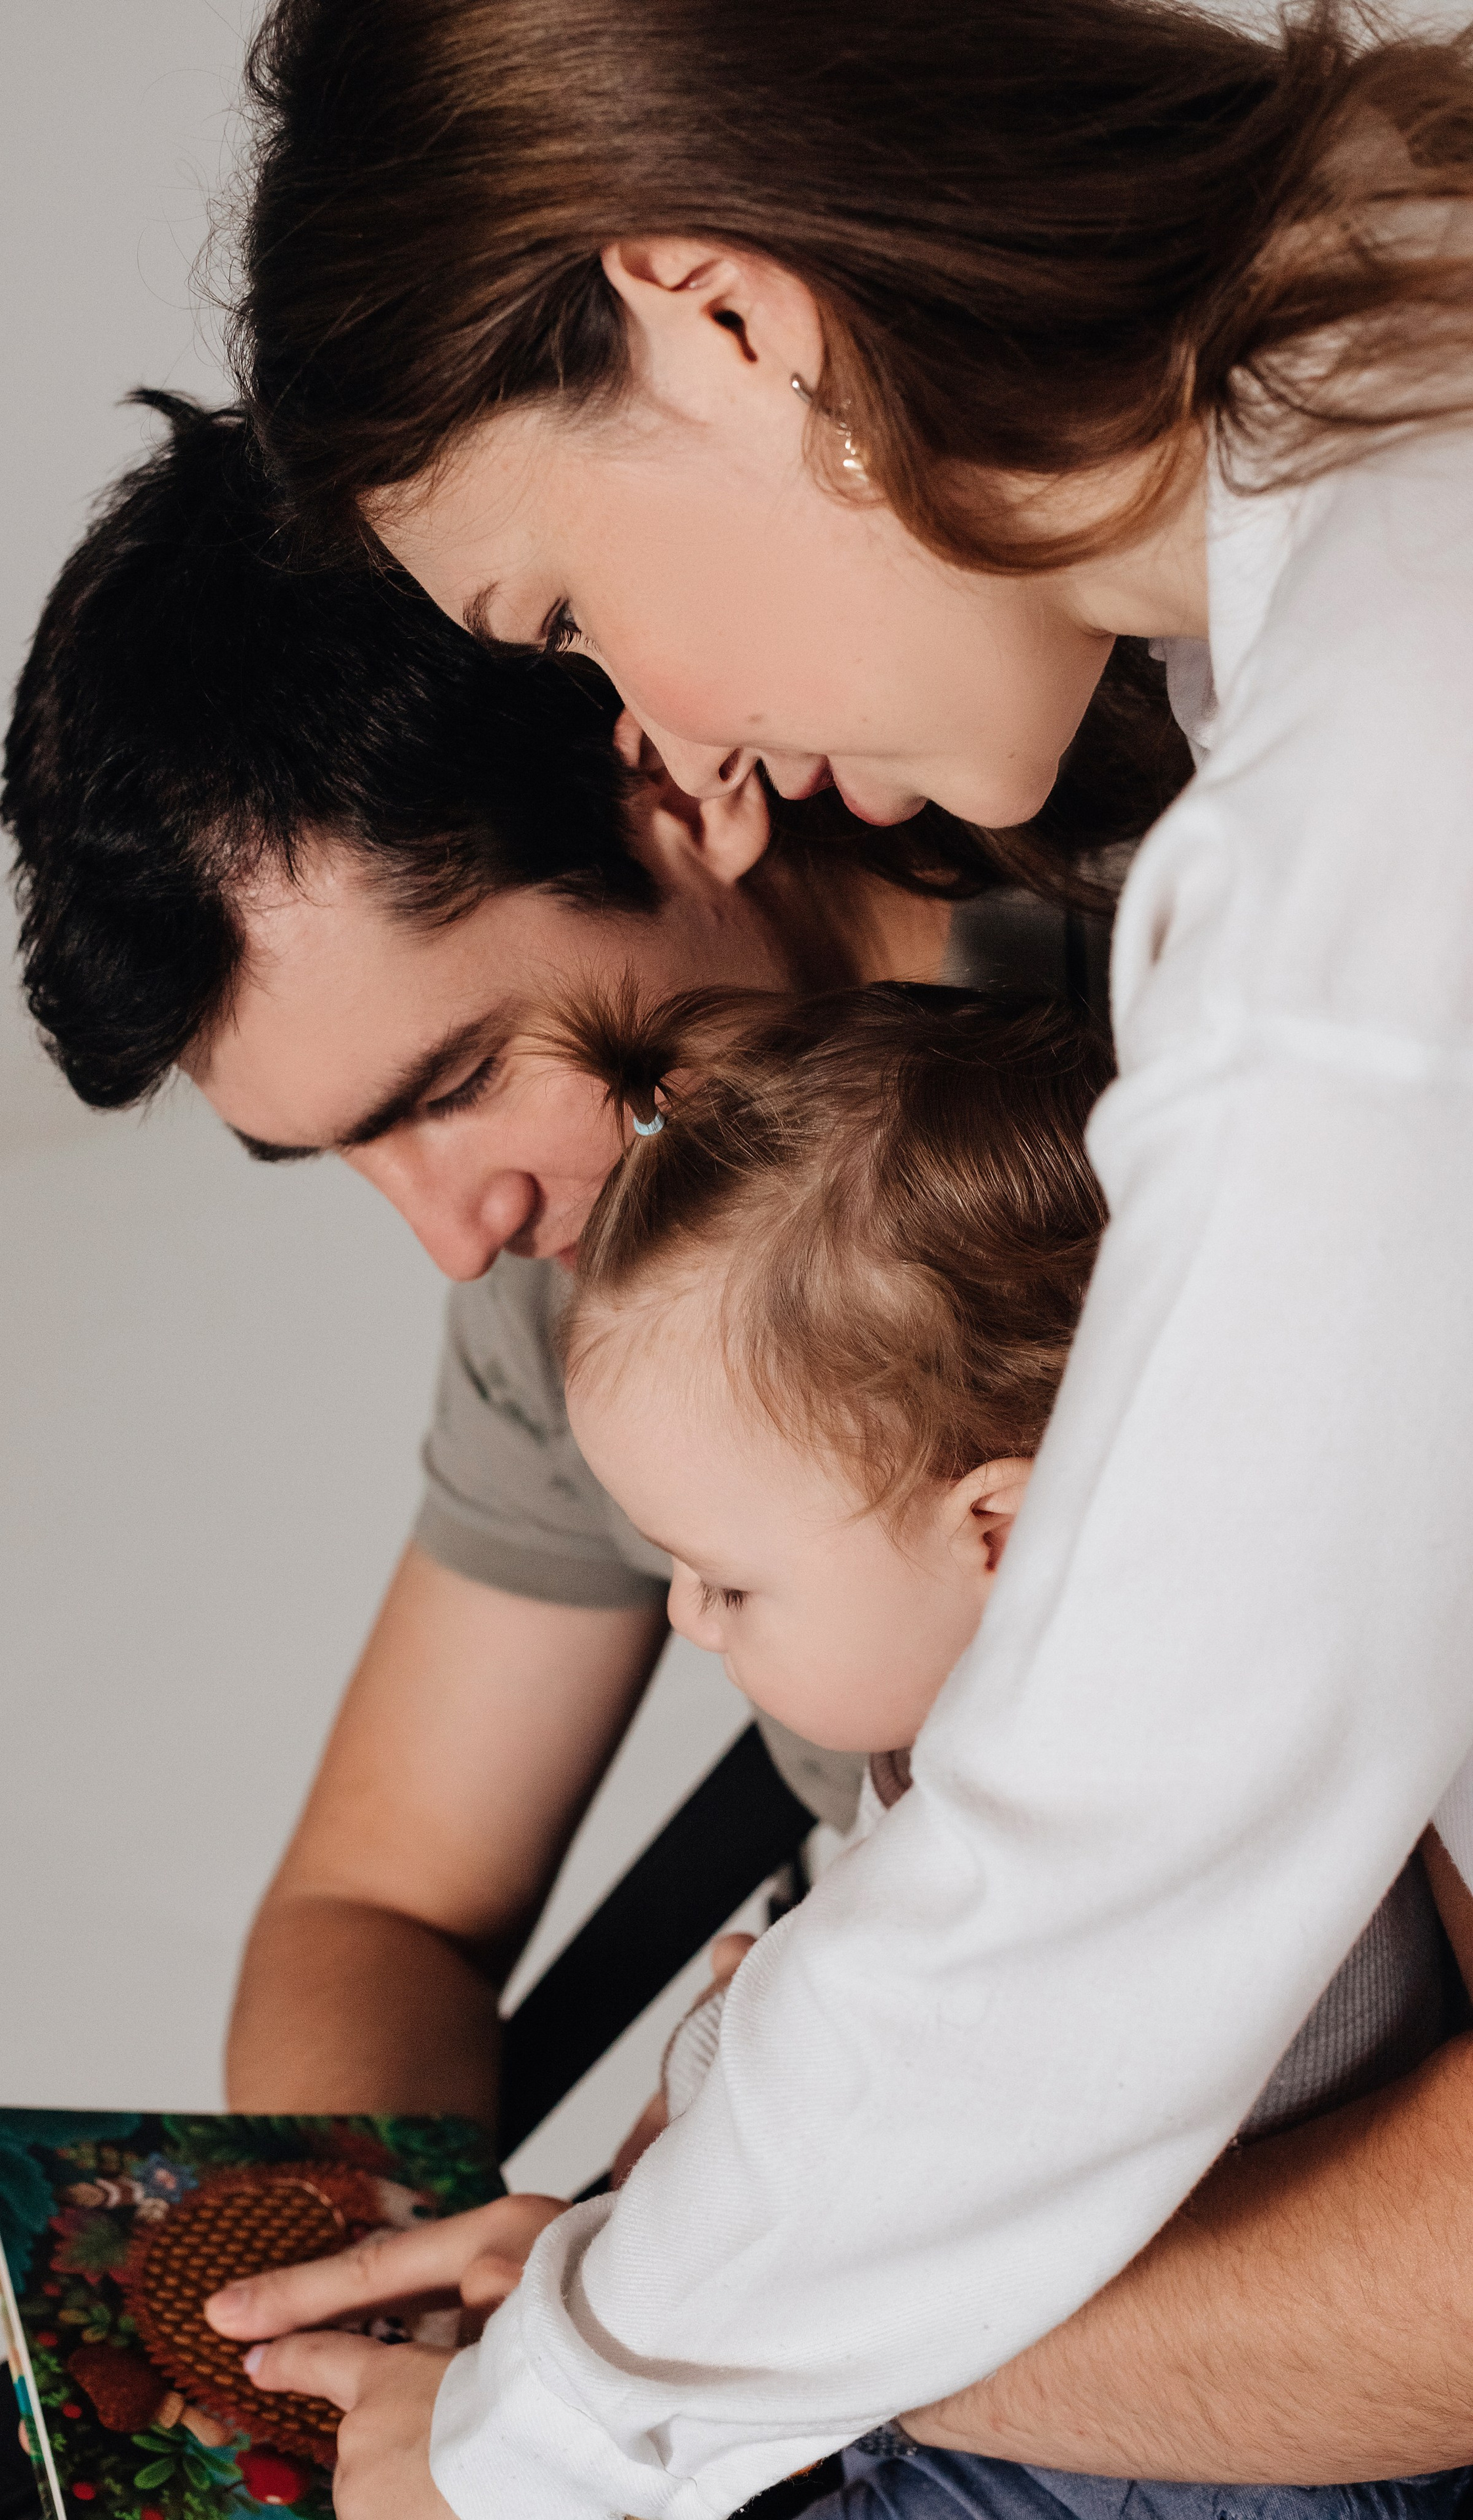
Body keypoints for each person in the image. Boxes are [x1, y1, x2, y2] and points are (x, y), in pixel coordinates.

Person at [217, 1, 1473, 2512]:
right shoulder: (1350, 498)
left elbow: (1121, 1826)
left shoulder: (1362, 842)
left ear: (724, 311)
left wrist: (552, 2416)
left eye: (563, 609)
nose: (671, 740)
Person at [224, 979, 1472, 2520]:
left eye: (728, 1579)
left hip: (1201, 2459)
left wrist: (500, 2447)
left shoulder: (1106, 1797)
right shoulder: (1102, 1686)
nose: (685, 1616)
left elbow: (794, 2170)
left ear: (999, 1532)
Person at [1, 390, 1101, 2133]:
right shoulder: (586, 1258)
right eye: (336, 1155)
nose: (456, 1238)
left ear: (669, 781)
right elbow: (380, 1905)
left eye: (452, 1086)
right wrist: (406, 2279)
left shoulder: (1178, 1048)